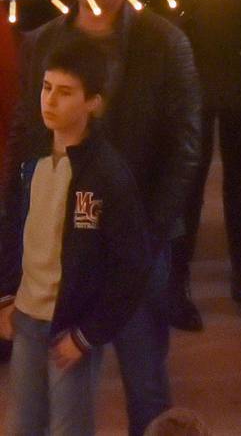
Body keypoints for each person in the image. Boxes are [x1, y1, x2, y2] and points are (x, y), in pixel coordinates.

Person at [6, 0, 198, 436]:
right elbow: (25, 141)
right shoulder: (45, 42)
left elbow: (183, 151)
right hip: (57, 244)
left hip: (134, 246)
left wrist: (145, 234)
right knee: (48, 395)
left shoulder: (163, 41)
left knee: (145, 382)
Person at [0, 34, 150, 436]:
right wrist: (6, 296)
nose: (49, 100)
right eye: (47, 88)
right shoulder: (29, 158)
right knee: (20, 425)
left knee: (69, 427)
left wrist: (87, 335)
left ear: (93, 103)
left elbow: (132, 266)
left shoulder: (108, 175)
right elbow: (11, 226)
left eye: (65, 93)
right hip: (27, 316)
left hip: (70, 327)